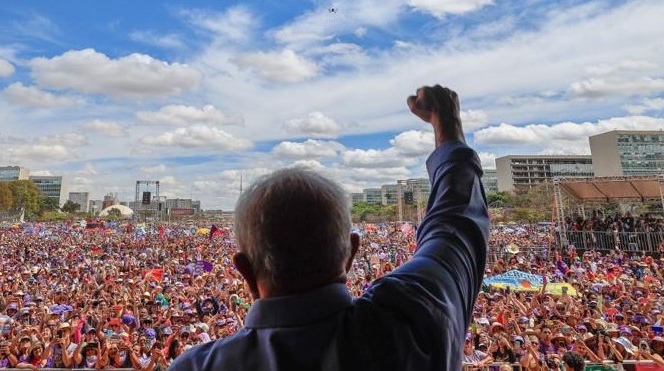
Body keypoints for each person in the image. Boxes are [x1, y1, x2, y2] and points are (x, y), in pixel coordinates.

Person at [171, 84, 489, 370]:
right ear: (350, 253)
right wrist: (447, 126)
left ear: (245, 271)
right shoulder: (411, 324)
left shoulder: (200, 367)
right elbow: (454, 230)